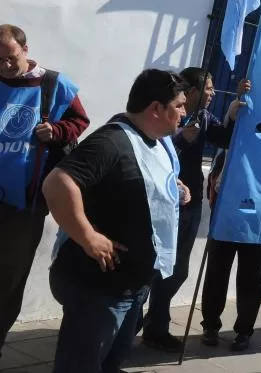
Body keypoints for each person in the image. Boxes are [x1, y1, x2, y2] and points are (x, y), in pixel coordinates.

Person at [43, 69, 189, 373]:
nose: (184, 113)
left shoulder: (154, 142)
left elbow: (138, 182)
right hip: (98, 286)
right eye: (179, 105)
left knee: (111, 361)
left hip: (132, 285)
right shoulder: (111, 141)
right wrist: (88, 236)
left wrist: (174, 189)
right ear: (156, 108)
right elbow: (57, 183)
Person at [141, 68, 250, 352]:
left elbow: (225, 138)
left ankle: (155, 325)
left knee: (178, 270)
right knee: (149, 267)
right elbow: (148, 153)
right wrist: (180, 140)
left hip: (190, 204)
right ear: (189, 91)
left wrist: (237, 106)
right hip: (161, 202)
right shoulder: (163, 116)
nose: (213, 94)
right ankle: (132, 323)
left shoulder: (202, 117)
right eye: (209, 89)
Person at [0, 24, 90, 360]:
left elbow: (80, 121)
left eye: (10, 58)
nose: (6, 66)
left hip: (26, 203)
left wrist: (55, 130)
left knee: (8, 280)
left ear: (24, 48)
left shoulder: (53, 84)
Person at [200, 110, 261, 352]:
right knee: (217, 268)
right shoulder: (235, 122)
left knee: (250, 273)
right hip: (226, 207)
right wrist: (231, 112)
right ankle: (210, 325)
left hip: (254, 212)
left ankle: (244, 330)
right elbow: (220, 138)